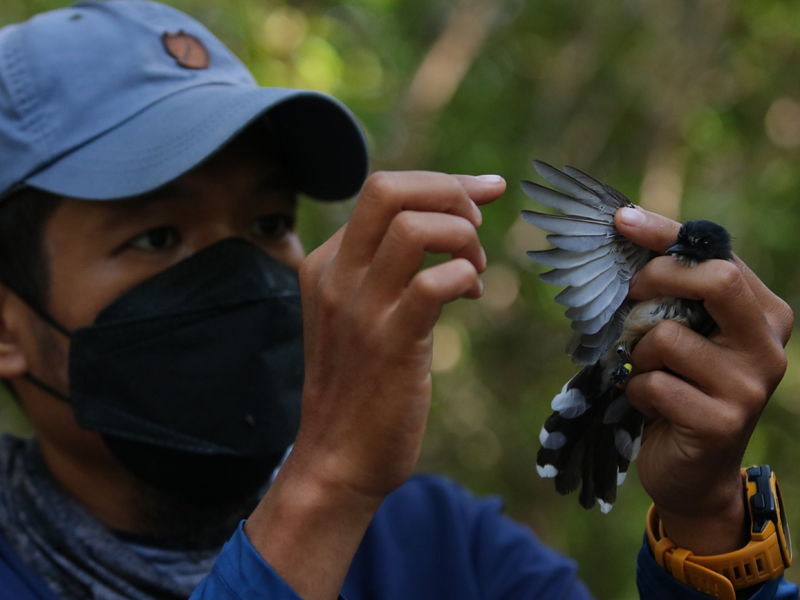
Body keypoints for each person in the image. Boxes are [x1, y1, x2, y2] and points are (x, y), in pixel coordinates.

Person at [0, 1, 794, 600]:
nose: (239, 273)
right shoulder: (351, 492)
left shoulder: (444, 548)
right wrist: (327, 484)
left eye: (270, 222)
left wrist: (709, 522)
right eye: (157, 237)